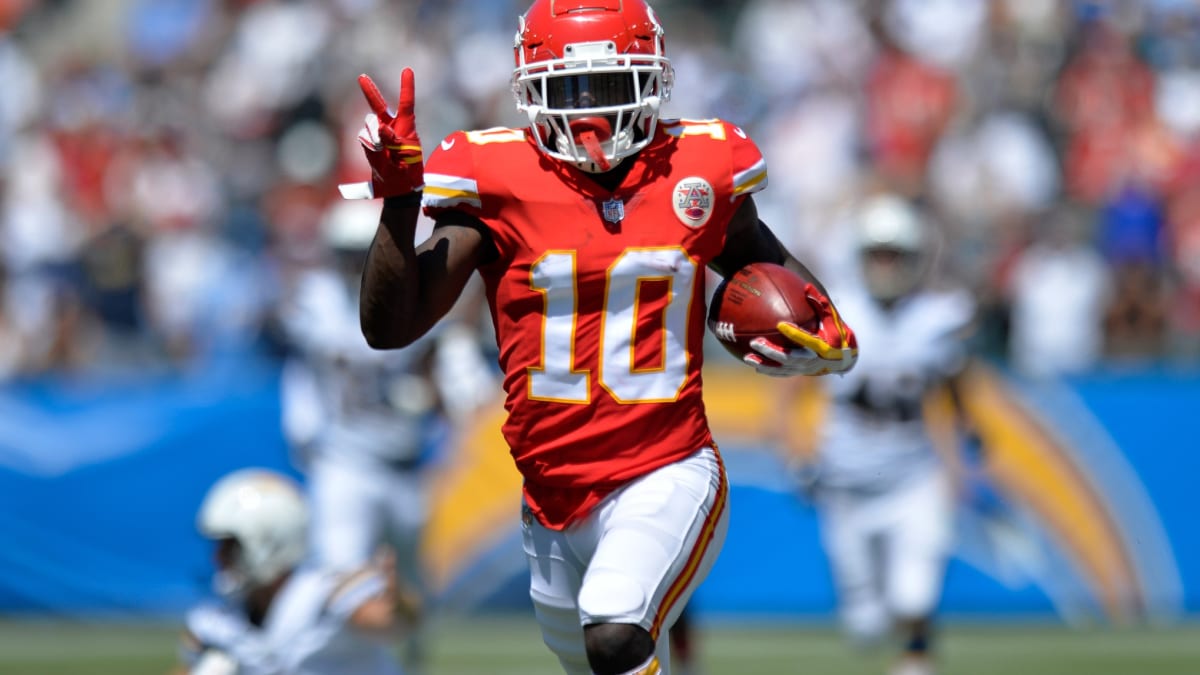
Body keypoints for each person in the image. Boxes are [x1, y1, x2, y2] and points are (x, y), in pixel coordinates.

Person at [342, 1, 858, 673]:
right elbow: (389, 328)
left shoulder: (700, 164)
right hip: (549, 494)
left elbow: (775, 272)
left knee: (615, 630)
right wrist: (401, 199)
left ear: (653, 79)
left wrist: (824, 331)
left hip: (667, 466)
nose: (591, 115)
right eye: (570, 91)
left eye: (610, 88)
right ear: (533, 90)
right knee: (607, 659)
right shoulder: (494, 179)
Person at [274, 199, 489, 674]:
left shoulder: (411, 297)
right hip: (345, 461)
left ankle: (403, 666)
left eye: (363, 252)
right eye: (349, 253)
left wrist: (434, 392)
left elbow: (451, 378)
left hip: (407, 463)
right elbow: (316, 355)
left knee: (410, 590)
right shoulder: (319, 300)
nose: (356, 265)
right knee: (344, 576)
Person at [784, 194, 977, 675]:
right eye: (878, 254)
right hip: (845, 483)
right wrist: (796, 452)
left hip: (914, 477)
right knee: (865, 622)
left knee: (915, 594)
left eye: (895, 255)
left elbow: (952, 392)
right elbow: (791, 392)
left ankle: (916, 661)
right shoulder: (840, 311)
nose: (886, 266)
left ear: (914, 259)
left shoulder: (939, 317)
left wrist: (960, 462)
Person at [177, 468, 414, 675]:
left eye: (231, 545)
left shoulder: (324, 593)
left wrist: (396, 605)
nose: (218, 557)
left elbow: (387, 621)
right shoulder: (219, 622)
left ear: (270, 540)